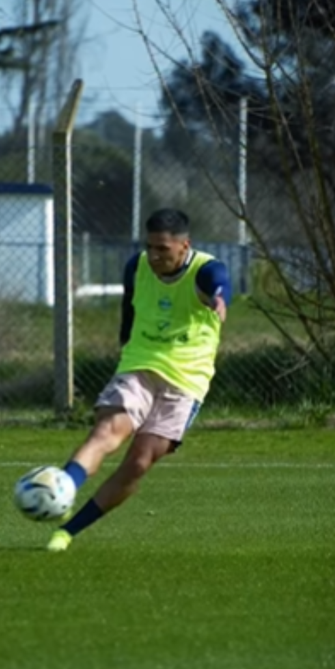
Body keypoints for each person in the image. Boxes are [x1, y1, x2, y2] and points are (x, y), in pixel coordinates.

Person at [45, 208, 230, 553]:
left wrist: (219, 300)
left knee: (139, 463)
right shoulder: (137, 265)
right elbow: (128, 311)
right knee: (108, 431)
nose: (155, 255)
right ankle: (64, 488)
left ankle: (68, 530)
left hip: (187, 381)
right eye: (150, 246)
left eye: (163, 248)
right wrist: (124, 348)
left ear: (184, 245)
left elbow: (220, 287)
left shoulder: (207, 269)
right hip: (139, 364)